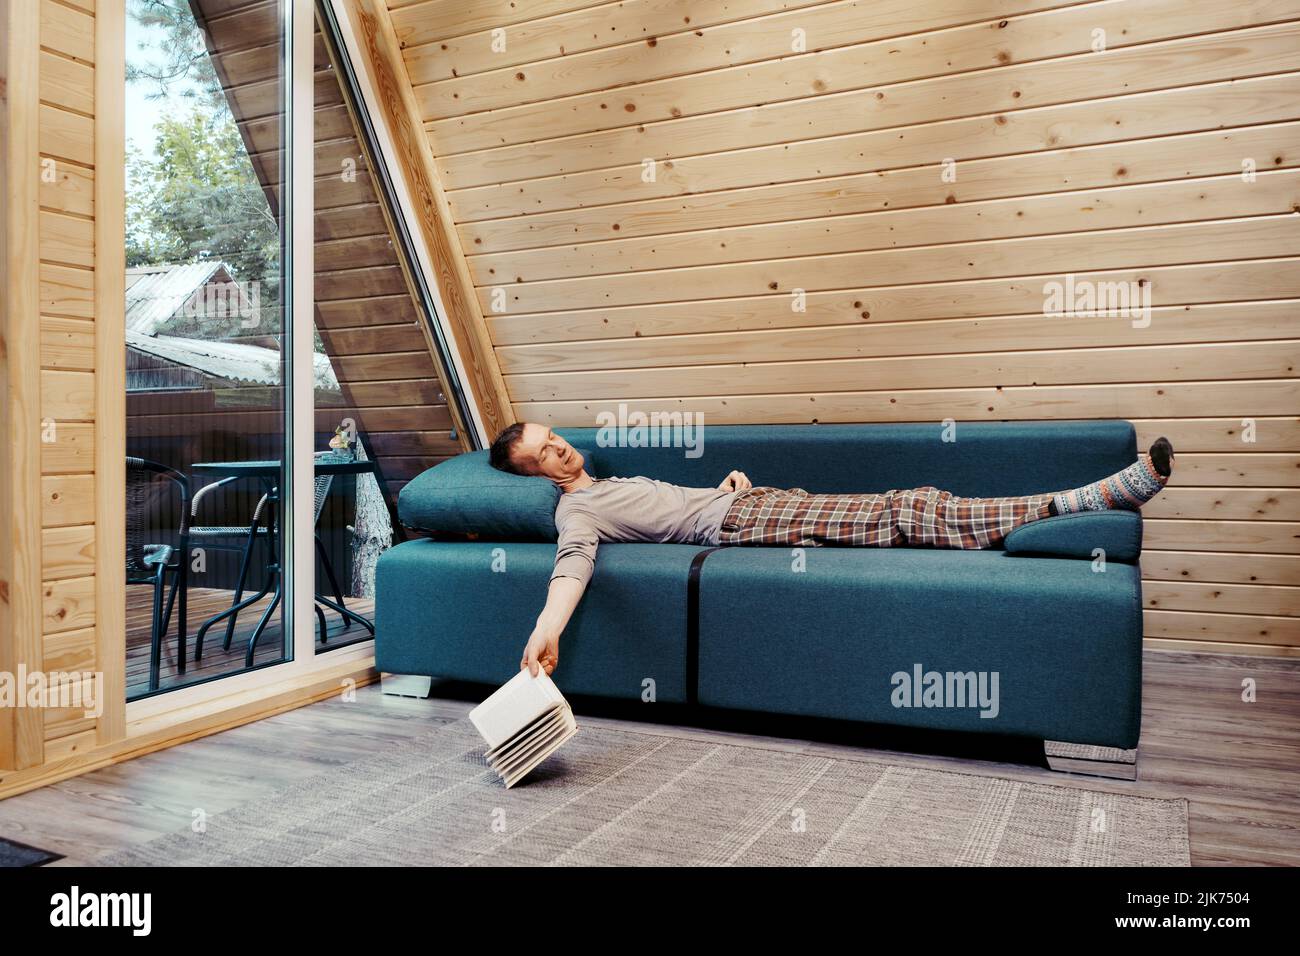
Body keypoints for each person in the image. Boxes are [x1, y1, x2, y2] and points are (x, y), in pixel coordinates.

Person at [489, 422, 1174, 678]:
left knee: (899, 512)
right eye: (545, 451)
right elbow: (572, 566)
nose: (560, 446)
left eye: (555, 436)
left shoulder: (603, 480)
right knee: (903, 511)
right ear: (536, 475)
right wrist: (546, 630)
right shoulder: (576, 510)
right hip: (744, 527)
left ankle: (1054, 509)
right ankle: (1083, 501)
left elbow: (670, 506)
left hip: (747, 504)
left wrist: (720, 484)